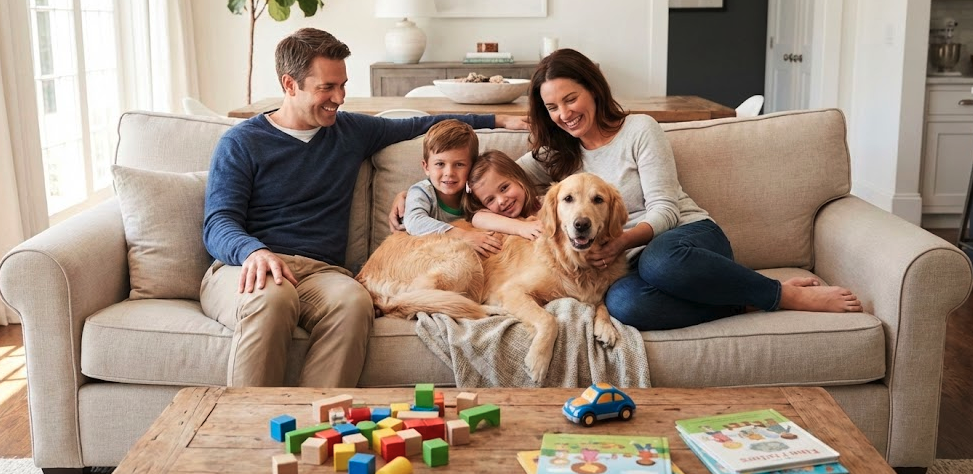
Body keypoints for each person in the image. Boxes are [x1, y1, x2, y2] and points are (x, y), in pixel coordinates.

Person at [390, 48, 862, 331]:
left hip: (685, 240)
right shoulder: (557, 156)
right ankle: (740, 300)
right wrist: (417, 192)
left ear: (593, 90)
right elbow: (485, 189)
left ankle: (780, 294)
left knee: (659, 260)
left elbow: (666, 210)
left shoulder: (640, 129)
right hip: (626, 267)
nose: (564, 113)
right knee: (626, 304)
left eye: (571, 98)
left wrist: (620, 240)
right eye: (552, 107)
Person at [201, 27, 527, 388]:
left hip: (320, 273)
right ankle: (248, 432)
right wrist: (254, 251)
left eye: (342, 85)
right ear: (290, 85)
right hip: (246, 267)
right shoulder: (242, 142)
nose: (339, 98)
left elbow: (421, 124)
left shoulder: (348, 130)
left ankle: (318, 424)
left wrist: (498, 120)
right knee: (272, 300)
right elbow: (218, 222)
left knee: (355, 303)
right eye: (327, 87)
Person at [403, 120, 502, 256]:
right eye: (440, 164)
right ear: (426, 167)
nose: (449, 172)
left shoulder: (473, 194)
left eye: (459, 164)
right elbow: (414, 222)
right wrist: (462, 235)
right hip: (420, 255)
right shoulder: (422, 192)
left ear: (472, 167)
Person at [465, 150, 543, 241]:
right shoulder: (495, 217)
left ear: (518, 178)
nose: (501, 200)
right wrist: (521, 227)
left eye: (504, 188)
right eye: (490, 200)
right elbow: (477, 219)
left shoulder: (542, 203)